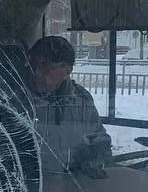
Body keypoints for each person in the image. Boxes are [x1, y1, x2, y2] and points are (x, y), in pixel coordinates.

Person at [28, 35, 107, 174]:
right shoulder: (20, 100)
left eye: (45, 66)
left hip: (74, 186)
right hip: (35, 187)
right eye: (33, 65)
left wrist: (96, 158)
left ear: (67, 70)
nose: (36, 72)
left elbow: (99, 139)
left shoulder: (81, 101)